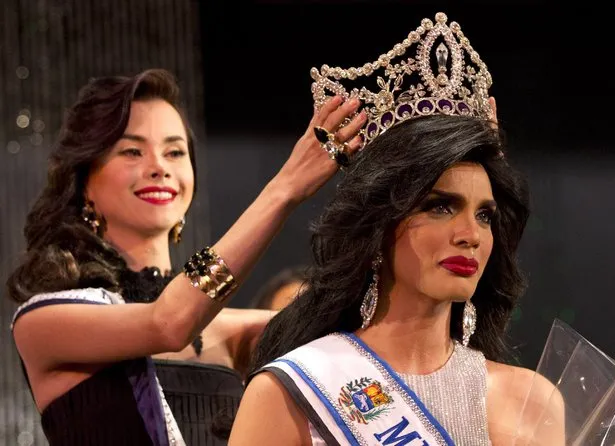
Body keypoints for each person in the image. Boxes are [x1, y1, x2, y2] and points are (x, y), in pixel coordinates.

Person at [230, 13, 565, 445]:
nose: (471, 234)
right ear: (377, 225)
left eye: (484, 214)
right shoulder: (292, 392)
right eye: (440, 206)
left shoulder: (532, 402)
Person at [7, 68, 366, 445]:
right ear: (83, 180)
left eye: (175, 152)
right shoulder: (44, 322)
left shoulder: (232, 332)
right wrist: (283, 190)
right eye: (132, 151)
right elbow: (168, 324)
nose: (159, 167)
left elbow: (362, 334)